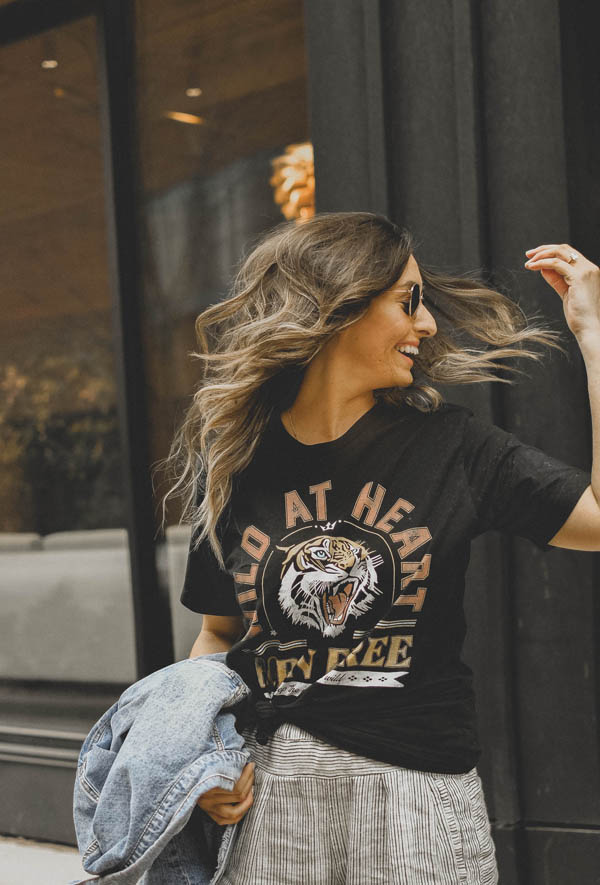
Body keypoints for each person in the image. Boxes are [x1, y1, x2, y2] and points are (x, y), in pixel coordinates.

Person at [159, 211, 600, 884]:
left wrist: (594, 339)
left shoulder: (455, 447)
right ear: (340, 308)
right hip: (274, 797)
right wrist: (206, 760)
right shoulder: (239, 461)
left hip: (415, 796)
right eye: (408, 302)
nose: (426, 325)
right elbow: (217, 636)